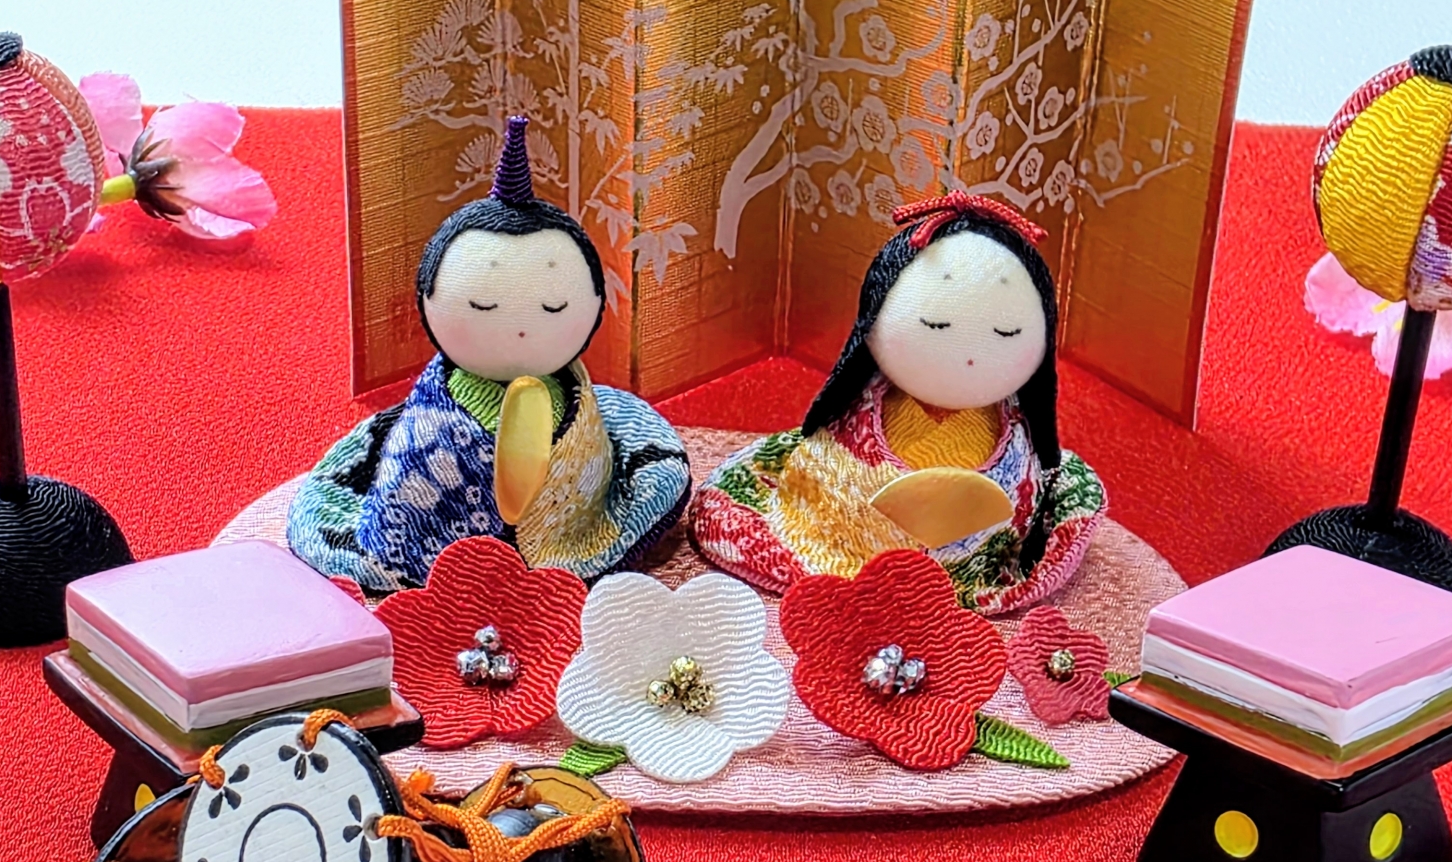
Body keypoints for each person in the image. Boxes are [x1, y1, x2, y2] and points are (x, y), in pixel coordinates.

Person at [287, 116, 689, 592]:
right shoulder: (430, 417)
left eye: (553, 306)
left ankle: (564, 549)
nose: (521, 327)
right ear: (427, 298)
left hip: (574, 526)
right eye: (481, 305)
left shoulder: (583, 403)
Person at [691, 191, 1105, 613]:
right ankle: (860, 561)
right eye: (936, 324)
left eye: (1006, 332)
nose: (967, 354)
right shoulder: (852, 420)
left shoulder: (1020, 433)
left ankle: (958, 574)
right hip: (837, 541)